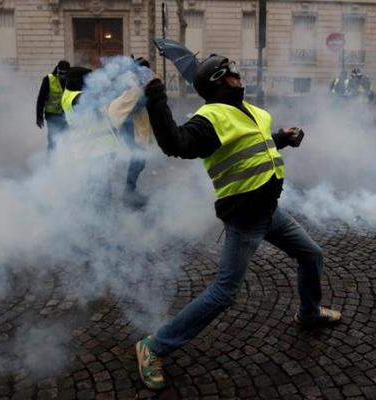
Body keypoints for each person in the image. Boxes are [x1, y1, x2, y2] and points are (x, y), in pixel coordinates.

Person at [134, 54, 343, 390]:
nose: (237, 75)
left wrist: (282, 137)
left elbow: (253, 144)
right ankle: (153, 346)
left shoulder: (253, 112)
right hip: (245, 218)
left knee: (311, 254)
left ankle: (309, 312)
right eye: (231, 72)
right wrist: (155, 93)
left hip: (270, 212)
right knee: (224, 293)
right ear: (218, 80)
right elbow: (174, 144)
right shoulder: (209, 119)